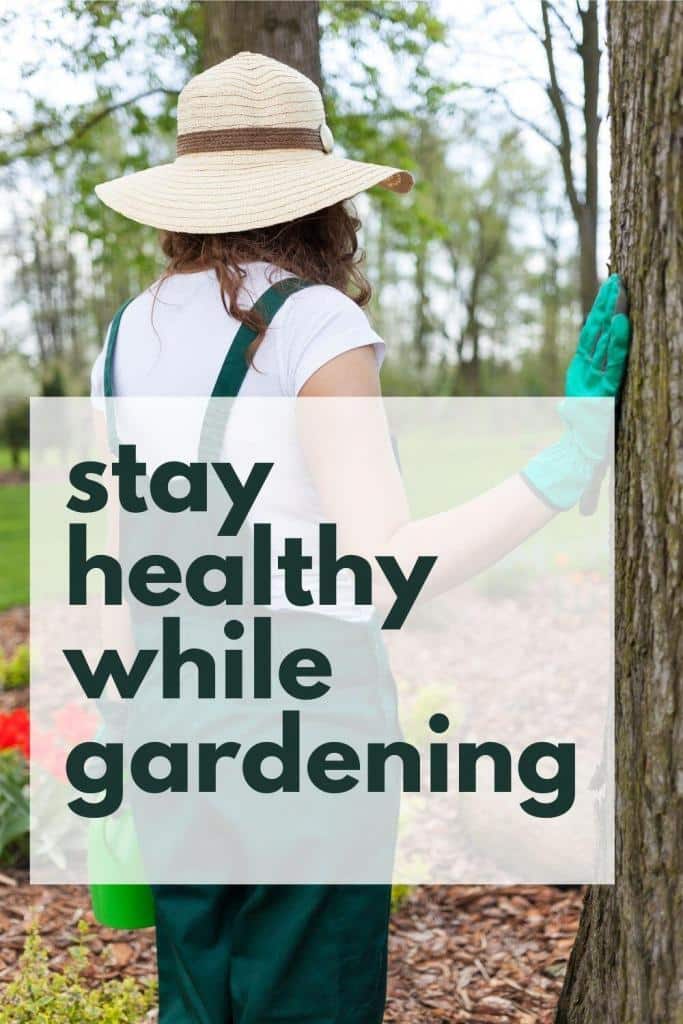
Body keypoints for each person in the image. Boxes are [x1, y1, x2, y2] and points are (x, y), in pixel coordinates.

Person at [91, 51, 631, 1024]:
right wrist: (559, 469)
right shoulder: (313, 324)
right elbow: (386, 571)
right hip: (299, 717)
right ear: (322, 201)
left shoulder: (124, 333)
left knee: (196, 1000)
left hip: (168, 705)